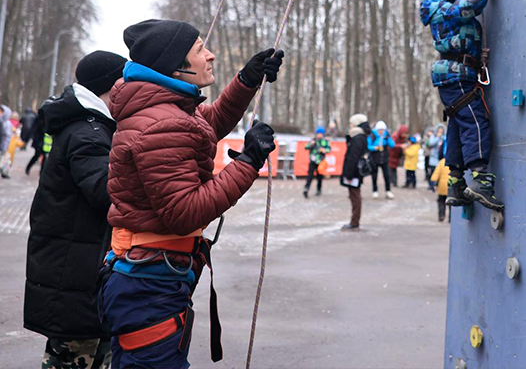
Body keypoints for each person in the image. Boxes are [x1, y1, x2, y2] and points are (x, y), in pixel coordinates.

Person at [99, 19, 283, 368]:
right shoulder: (163, 122)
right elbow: (185, 213)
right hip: (148, 286)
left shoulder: (165, 109)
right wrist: (248, 161)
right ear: (176, 67)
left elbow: (204, 125)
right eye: (200, 49)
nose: (210, 55)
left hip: (146, 279)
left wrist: (247, 80)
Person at [24, 51, 127, 369]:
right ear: (111, 87)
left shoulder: (92, 127)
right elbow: (106, 192)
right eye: (125, 83)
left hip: (80, 274)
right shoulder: (87, 132)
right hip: (75, 279)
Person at [420, 0, 503, 211]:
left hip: (456, 76)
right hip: (458, 76)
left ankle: (456, 183)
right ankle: (479, 180)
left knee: (458, 126)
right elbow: (470, 3)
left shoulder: (444, 6)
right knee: (476, 124)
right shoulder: (448, 12)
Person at [340, 113, 371, 230]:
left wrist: (349, 174)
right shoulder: (359, 137)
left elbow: (353, 158)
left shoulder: (358, 138)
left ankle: (354, 221)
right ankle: (354, 220)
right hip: (355, 172)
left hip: (354, 173)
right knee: (354, 196)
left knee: (355, 196)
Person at [367, 120, 395, 199]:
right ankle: (375, 191)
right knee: (374, 175)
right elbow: (368, 146)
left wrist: (388, 139)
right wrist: (374, 148)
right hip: (375, 158)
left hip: (384, 158)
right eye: (380, 130)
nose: (381, 132)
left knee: (387, 175)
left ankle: (388, 190)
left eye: (383, 130)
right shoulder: (372, 135)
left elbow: (392, 145)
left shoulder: (386, 135)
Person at [303, 125, 331, 198]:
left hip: (320, 162)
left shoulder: (325, 141)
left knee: (319, 177)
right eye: (318, 133)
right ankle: (306, 188)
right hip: (312, 161)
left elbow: (329, 149)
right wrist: (310, 144)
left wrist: (324, 150)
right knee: (310, 176)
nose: (319, 135)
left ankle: (319, 189)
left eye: (320, 134)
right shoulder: (313, 140)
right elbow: (306, 147)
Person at [430, 153, 451, 222]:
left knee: (441, 201)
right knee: (451, 202)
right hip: (451, 185)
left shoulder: (442, 161)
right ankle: (451, 217)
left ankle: (441, 215)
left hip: (442, 186)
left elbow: (437, 173)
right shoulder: (454, 161)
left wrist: (433, 181)